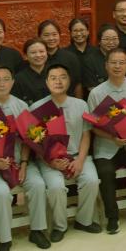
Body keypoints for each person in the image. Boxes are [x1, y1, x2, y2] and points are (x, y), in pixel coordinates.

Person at [0, 66, 49, 251]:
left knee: (38, 185)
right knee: (1, 192)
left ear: (13, 82)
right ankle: (5, 239)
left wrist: (24, 164)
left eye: (6, 79)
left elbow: (29, 138)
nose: (2, 83)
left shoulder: (20, 106)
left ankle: (37, 231)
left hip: (19, 162)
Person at [29, 64, 102, 240]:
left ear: (69, 81)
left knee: (91, 181)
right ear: (46, 82)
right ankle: (60, 226)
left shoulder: (80, 104)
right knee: (55, 187)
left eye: (63, 77)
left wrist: (80, 161)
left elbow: (86, 135)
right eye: (53, 78)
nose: (58, 81)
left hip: (78, 155)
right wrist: (50, 162)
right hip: (50, 161)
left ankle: (83, 221)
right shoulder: (37, 108)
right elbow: (35, 143)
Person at [88, 48, 126, 234]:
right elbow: (93, 126)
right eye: (113, 62)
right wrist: (112, 138)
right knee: (105, 172)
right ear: (106, 65)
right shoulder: (96, 93)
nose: (117, 66)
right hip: (106, 146)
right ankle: (112, 216)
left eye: (122, 62)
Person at [38, 20, 83, 98]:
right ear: (39, 37)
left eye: (54, 34)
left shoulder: (70, 57)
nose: (51, 38)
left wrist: (79, 103)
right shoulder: (37, 59)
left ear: (59, 35)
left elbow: (77, 84)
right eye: (46, 35)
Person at [81, 25, 121, 93]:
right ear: (99, 41)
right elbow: (91, 88)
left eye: (114, 39)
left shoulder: (123, 57)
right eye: (107, 39)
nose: (111, 42)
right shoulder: (90, 60)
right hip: (99, 97)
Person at [12, 39, 50, 105]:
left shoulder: (57, 74)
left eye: (41, 51)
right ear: (25, 56)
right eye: (33, 52)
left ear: (47, 53)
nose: (38, 55)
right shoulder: (19, 79)